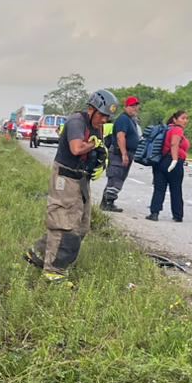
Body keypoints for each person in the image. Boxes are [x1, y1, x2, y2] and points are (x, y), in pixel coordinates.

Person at [25, 89, 118, 284]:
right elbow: (76, 148)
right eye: (102, 115)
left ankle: (38, 253)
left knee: (82, 224)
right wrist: (93, 145)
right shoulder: (77, 121)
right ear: (91, 109)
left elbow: (96, 146)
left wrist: (101, 159)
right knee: (64, 223)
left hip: (81, 178)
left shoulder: (98, 126)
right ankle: (54, 272)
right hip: (65, 178)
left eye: (107, 117)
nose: (104, 120)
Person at [101, 95, 141, 212]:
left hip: (126, 152)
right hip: (119, 153)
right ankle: (107, 203)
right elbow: (120, 136)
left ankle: (108, 202)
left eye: (136, 106)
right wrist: (124, 154)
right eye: (132, 106)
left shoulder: (131, 120)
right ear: (126, 107)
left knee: (119, 178)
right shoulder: (123, 119)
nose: (135, 108)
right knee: (115, 177)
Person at [147, 110, 189, 222]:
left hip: (160, 161)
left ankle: (154, 213)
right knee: (176, 188)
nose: (185, 121)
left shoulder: (166, 129)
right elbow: (174, 143)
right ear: (175, 119)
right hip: (173, 162)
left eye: (187, 118)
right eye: (183, 118)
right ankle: (178, 215)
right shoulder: (177, 129)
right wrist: (175, 160)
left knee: (159, 189)